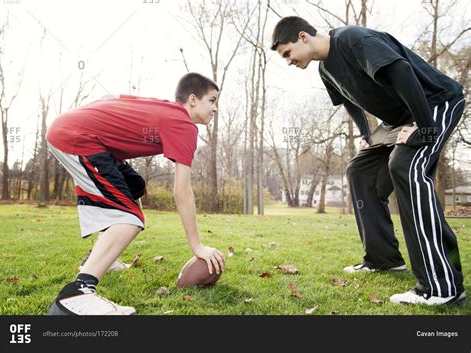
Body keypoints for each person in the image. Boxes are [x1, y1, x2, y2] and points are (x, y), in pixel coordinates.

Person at [271, 16, 466, 305]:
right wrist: (367, 135)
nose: (288, 61)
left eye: (287, 53)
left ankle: (442, 284)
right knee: (360, 171)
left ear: (302, 37)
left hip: (435, 103)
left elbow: (401, 70)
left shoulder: (353, 39)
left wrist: (424, 129)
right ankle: (383, 258)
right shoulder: (325, 70)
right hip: (397, 120)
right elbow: (350, 101)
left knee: (405, 166)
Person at [46, 72, 226, 315]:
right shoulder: (184, 125)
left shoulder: (162, 108)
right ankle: (77, 293)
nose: (215, 108)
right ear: (193, 100)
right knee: (129, 219)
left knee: (135, 186)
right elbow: (182, 190)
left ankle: (101, 257)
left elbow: (112, 97)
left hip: (76, 131)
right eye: (212, 100)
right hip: (77, 137)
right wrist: (197, 246)